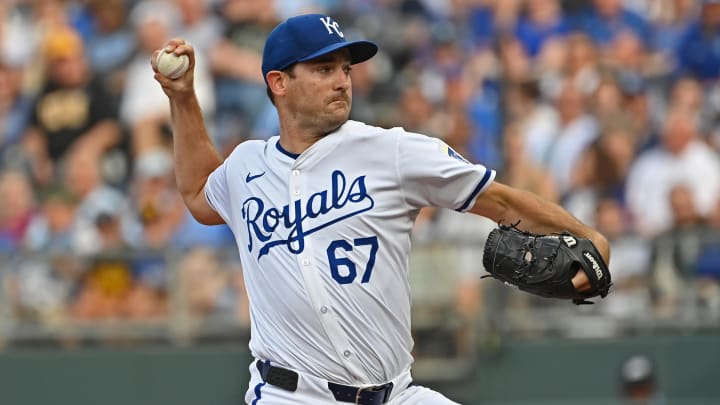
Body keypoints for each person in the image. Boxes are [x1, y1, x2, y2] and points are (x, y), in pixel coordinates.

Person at [152, 13, 610, 405]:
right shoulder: (247, 165)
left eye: (345, 69)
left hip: (395, 393)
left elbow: (501, 201)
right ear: (279, 83)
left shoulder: (391, 151)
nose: (341, 80)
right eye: (324, 68)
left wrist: (591, 236)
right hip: (289, 395)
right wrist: (183, 98)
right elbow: (197, 193)